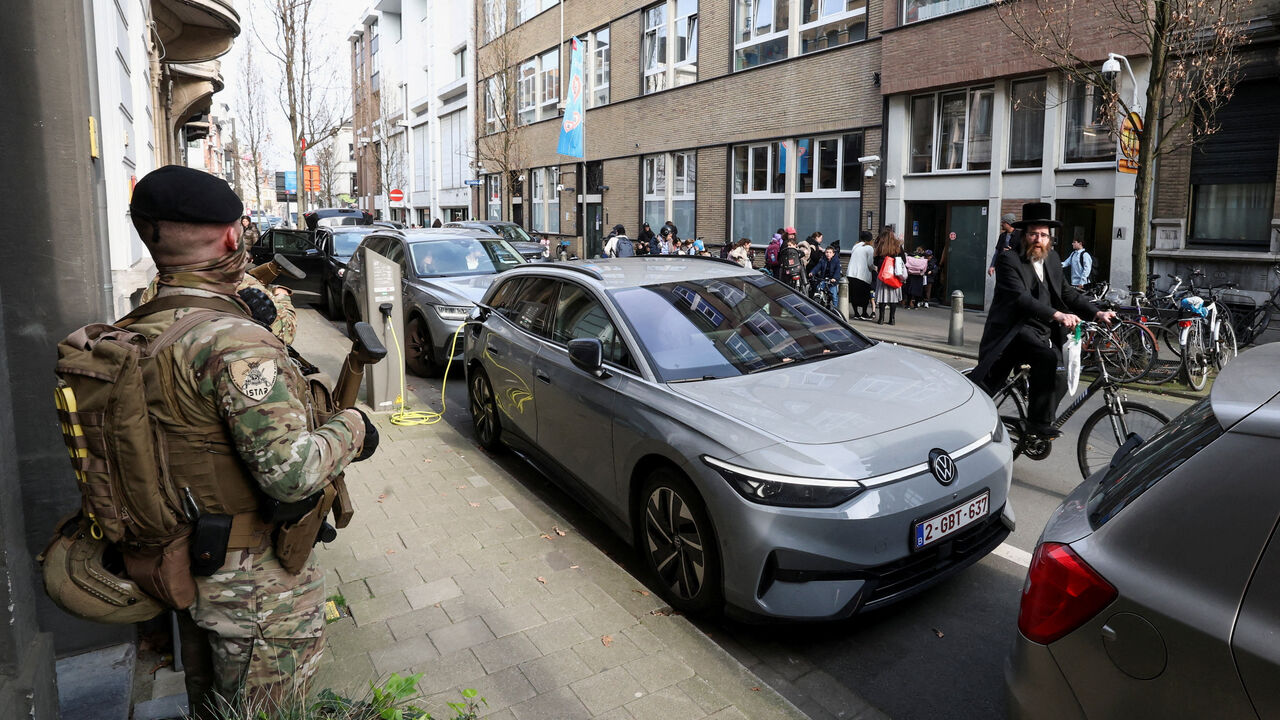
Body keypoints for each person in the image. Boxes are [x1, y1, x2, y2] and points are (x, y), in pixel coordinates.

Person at [125, 166, 375, 717]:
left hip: (181, 561)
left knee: (213, 701)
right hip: (253, 587)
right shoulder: (232, 342)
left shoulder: (135, 327)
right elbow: (292, 473)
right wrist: (355, 427)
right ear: (235, 235)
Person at [971, 202, 1116, 439]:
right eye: (1033, 234)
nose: (1039, 239)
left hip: (1042, 330)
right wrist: (1058, 315)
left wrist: (1097, 313)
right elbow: (1021, 299)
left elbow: (1067, 292)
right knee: (1037, 363)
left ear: (1049, 239)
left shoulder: (1051, 259)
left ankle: (1039, 416)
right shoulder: (1009, 261)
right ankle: (1035, 424)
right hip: (1013, 330)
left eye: (1044, 235)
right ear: (1024, 235)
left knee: (1060, 373)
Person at [873, 228, 907, 325]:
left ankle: (881, 319)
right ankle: (892, 319)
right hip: (894, 276)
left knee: (882, 298)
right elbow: (904, 261)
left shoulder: (880, 246)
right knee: (893, 299)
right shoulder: (898, 246)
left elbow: (875, 262)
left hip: (883, 276)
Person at [847, 231, 875, 320]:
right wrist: (874, 268)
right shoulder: (869, 248)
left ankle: (856, 313)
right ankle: (864, 313)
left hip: (851, 273)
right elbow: (870, 263)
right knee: (864, 295)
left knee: (854, 294)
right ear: (870, 240)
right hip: (862, 275)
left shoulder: (855, 246)